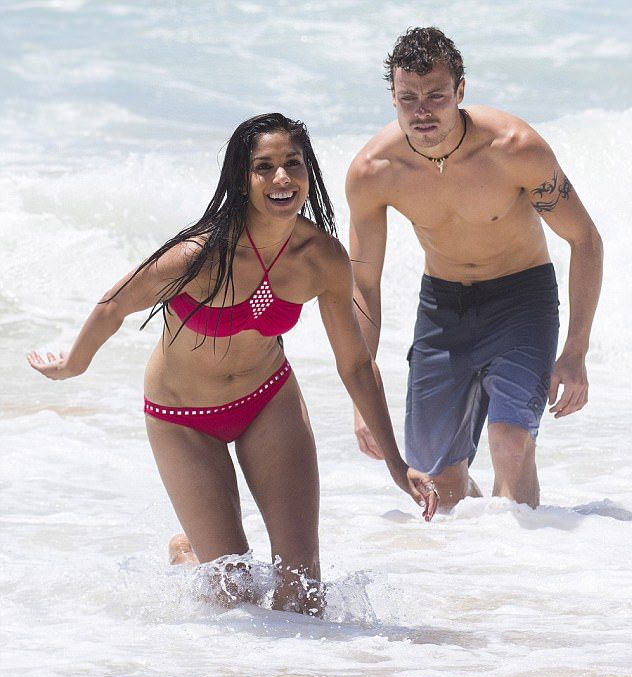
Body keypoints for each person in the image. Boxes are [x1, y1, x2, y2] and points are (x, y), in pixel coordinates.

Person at [27, 113, 438, 616]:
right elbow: (116, 304)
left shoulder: (320, 257)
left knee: (302, 592)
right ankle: (189, 551)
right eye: (264, 167)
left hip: (267, 402)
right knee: (232, 593)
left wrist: (396, 464)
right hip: (183, 420)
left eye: (293, 163)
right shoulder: (199, 256)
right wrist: (74, 364)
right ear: (242, 180)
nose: (281, 178)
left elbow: (354, 363)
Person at [346, 28, 603, 510]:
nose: (422, 111)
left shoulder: (514, 148)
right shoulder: (375, 171)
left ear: (460, 90)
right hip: (442, 309)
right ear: (393, 97)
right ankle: (481, 549)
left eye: (436, 96)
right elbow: (364, 284)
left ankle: (526, 553)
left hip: (521, 301)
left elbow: (585, 239)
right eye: (408, 98)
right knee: (439, 491)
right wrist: (363, 393)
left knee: (511, 443)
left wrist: (575, 350)